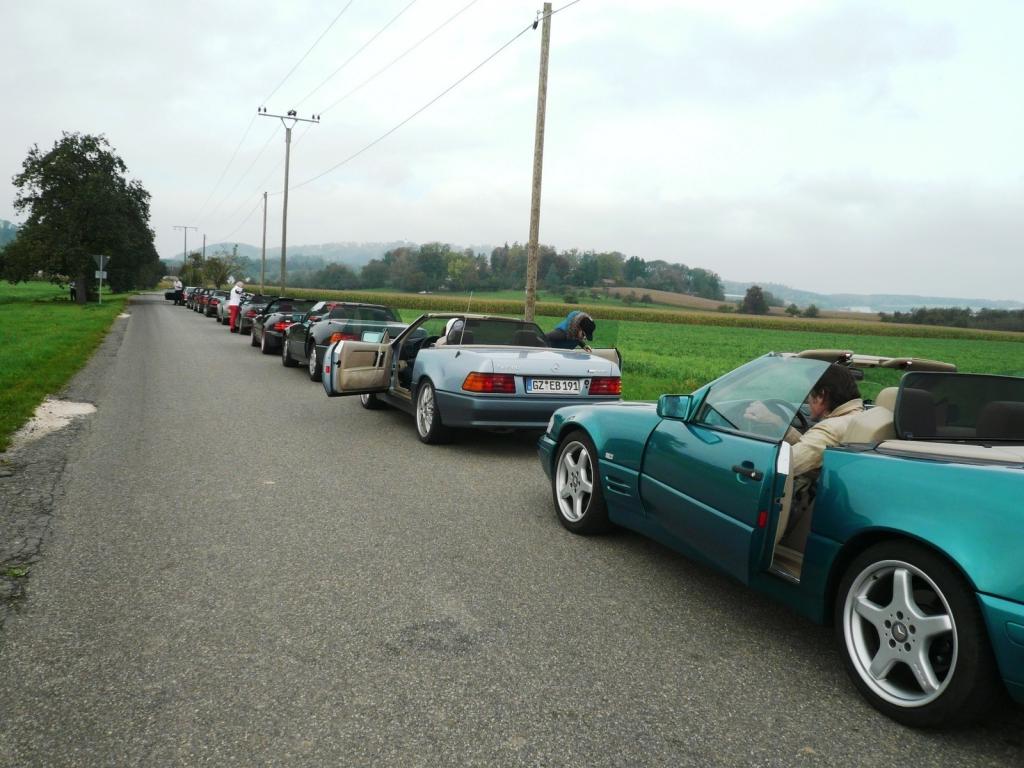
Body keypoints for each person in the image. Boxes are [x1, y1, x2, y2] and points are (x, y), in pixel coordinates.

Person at [744, 364, 863, 547]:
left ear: (822, 395)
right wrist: (777, 422)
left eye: (809, 395)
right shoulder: (858, 416)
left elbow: (786, 465)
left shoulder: (832, 429)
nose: (807, 401)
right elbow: (813, 449)